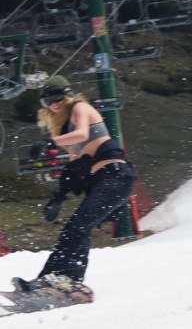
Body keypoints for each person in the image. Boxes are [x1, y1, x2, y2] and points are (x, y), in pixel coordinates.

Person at [15, 76, 136, 299]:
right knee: (74, 226)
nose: (55, 104)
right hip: (102, 180)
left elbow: (83, 134)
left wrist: (50, 143)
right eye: (48, 101)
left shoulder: (80, 107)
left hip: (117, 176)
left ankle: (71, 278)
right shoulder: (62, 129)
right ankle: (49, 279)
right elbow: (74, 164)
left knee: (80, 224)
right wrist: (58, 197)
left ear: (67, 95)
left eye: (58, 98)